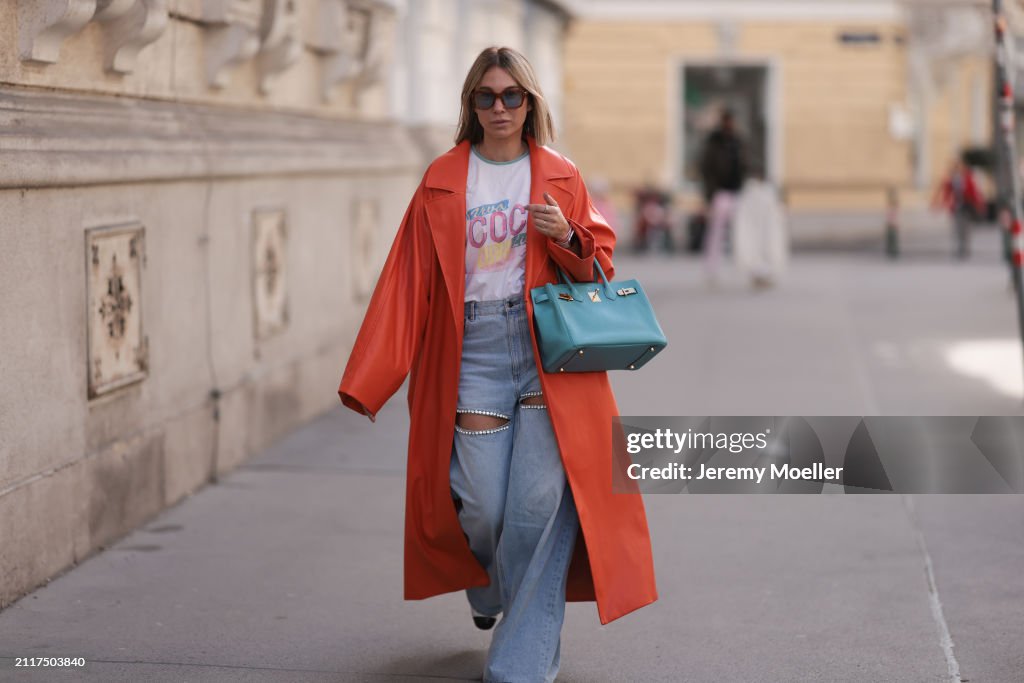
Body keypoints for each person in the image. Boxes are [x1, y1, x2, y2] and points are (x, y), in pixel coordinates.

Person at [337, 47, 657, 683]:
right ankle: (487, 585)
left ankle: (521, 662)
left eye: (513, 96)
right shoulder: (444, 177)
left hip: (545, 349)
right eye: (487, 96)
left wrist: (565, 236)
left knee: (539, 505)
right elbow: (406, 280)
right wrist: (372, 377)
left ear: (530, 104)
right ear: (471, 105)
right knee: (481, 503)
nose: (501, 107)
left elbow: (598, 267)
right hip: (474, 351)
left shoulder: (560, 174)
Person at [699, 108, 748, 283]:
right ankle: (712, 270)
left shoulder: (737, 142)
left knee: (741, 232)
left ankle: (744, 268)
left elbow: (743, 165)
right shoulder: (714, 142)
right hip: (720, 192)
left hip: (736, 191)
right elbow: (706, 169)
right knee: (716, 233)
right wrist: (709, 194)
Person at [733, 160, 788, 289]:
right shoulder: (766, 194)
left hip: (758, 230)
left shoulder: (750, 193)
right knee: (763, 248)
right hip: (762, 231)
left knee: (758, 248)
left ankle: (761, 274)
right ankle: (761, 274)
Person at [933, 158, 985, 259]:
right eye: (954, 166)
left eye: (957, 166)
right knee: (957, 229)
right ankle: (960, 249)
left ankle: (965, 248)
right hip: (956, 208)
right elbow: (946, 193)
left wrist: (979, 205)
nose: (956, 168)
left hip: (966, 207)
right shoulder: (951, 179)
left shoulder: (967, 178)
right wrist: (941, 204)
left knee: (965, 229)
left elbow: (974, 192)